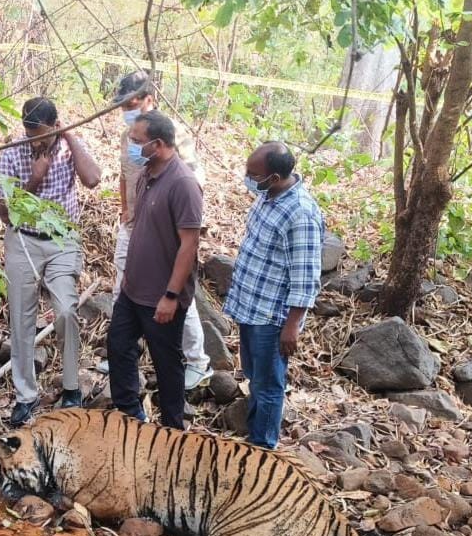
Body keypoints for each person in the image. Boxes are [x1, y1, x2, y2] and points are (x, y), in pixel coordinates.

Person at [0, 97, 101, 427]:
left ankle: (71, 388)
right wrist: (35, 179)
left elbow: (94, 179)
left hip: (61, 240)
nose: (34, 139)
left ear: (56, 126)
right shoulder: (13, 153)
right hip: (22, 238)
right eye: (29, 131)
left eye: (40, 132)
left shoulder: (70, 146)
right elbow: (5, 211)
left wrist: (69, 138)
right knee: (21, 317)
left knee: (66, 310)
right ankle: (25, 395)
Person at [110, 70, 213, 391]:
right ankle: (125, 354)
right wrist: (126, 209)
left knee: (177, 296)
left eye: (132, 103)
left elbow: (192, 182)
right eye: (122, 105)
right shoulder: (129, 138)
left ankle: (197, 361)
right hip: (134, 225)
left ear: (149, 100)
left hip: (166, 229)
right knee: (123, 289)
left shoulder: (173, 136)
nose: (125, 110)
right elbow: (126, 173)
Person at [224, 142, 324, 450]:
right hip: (251, 306)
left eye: (253, 174)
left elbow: (306, 277)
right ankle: (253, 435)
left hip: (272, 317)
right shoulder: (268, 196)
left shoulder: (301, 214)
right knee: (255, 377)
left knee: (269, 385)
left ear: (276, 176)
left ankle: (262, 447)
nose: (248, 178)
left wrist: (291, 326)